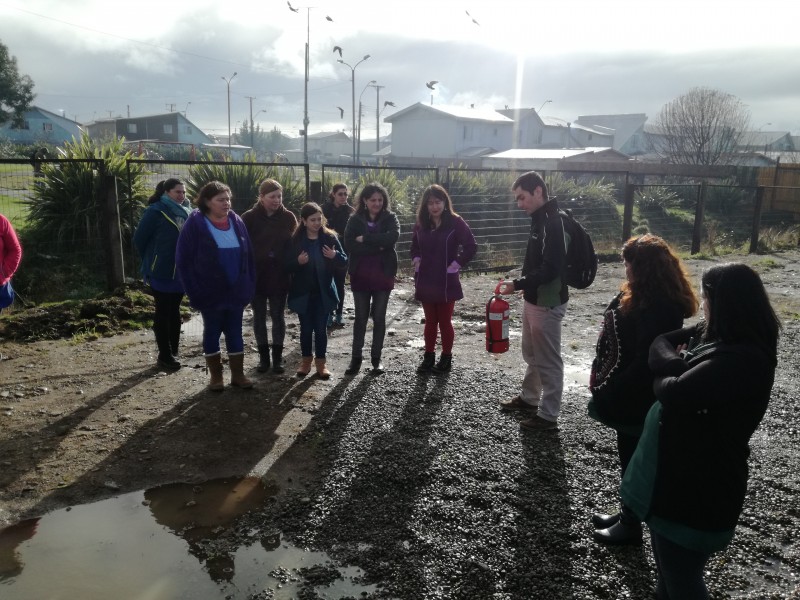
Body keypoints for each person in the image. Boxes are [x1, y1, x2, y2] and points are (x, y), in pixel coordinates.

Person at [620, 263, 780, 599]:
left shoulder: (742, 359)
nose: (703, 304)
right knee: (668, 573)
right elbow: (660, 343)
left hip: (698, 490)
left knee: (683, 579)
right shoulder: (720, 333)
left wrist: (666, 374)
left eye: (707, 297)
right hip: (677, 483)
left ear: (720, 301)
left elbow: (672, 392)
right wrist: (676, 366)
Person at [588, 234, 698, 546]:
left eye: (628, 263)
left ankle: (631, 525)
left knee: (635, 458)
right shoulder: (646, 295)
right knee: (630, 453)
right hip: (631, 390)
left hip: (638, 395)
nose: (625, 269)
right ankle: (628, 515)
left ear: (644, 267)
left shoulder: (659, 306)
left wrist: (614, 387)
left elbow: (646, 358)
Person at [497, 171, 568, 431]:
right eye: (517, 199)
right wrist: (522, 284)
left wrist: (518, 284)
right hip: (534, 298)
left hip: (548, 302)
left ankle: (549, 415)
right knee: (532, 353)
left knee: (548, 358)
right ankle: (529, 399)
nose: (519, 204)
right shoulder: (540, 219)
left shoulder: (553, 222)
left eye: (522, 198)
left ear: (538, 191)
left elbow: (551, 269)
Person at [175, 181, 256, 391]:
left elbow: (249, 258)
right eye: (221, 199)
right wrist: (194, 291)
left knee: (235, 332)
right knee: (212, 332)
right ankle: (216, 378)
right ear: (206, 201)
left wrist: (248, 285)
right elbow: (183, 260)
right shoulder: (195, 224)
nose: (226, 203)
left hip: (236, 292)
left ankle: (238, 375)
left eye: (228, 199)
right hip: (209, 293)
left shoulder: (237, 221)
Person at [410, 184, 477, 374]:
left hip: (446, 280)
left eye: (437, 202)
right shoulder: (421, 223)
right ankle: (428, 356)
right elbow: (414, 246)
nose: (434, 207)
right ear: (425, 205)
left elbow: (471, 246)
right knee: (430, 321)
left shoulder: (456, 222)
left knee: (445, 321)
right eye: (430, 203)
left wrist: (456, 264)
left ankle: (446, 357)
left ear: (445, 202)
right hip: (425, 278)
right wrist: (416, 259)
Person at [133, 178, 192, 371]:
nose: (181, 196)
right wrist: (153, 259)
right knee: (163, 310)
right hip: (161, 270)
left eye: (183, 192)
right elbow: (139, 239)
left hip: (181, 270)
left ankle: (173, 352)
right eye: (177, 192)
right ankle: (164, 355)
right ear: (166, 192)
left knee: (175, 311)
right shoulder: (155, 211)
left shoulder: (189, 212)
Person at [241, 179, 298, 374]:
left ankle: (277, 359)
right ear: (261, 197)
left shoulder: (288, 217)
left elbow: (294, 244)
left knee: (277, 315)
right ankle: (263, 359)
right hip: (257, 274)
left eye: (279, 196)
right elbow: (243, 246)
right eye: (272, 196)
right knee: (259, 316)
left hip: (280, 274)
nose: (276, 200)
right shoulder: (249, 217)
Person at [285, 202, 347, 379]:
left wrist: (335, 256)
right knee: (305, 329)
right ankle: (305, 363)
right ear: (303, 221)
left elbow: (344, 260)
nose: (317, 223)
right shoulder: (296, 240)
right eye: (312, 220)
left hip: (323, 293)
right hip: (303, 294)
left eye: (319, 219)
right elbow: (285, 266)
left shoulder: (330, 238)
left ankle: (321, 364)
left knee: (320, 330)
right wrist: (298, 262)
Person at [343, 182, 400, 375]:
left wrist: (365, 239)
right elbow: (349, 244)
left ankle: (376, 359)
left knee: (379, 317)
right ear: (365, 201)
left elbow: (392, 237)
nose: (377, 203)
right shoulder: (355, 219)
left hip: (383, 275)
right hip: (360, 275)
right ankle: (355, 360)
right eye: (373, 199)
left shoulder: (391, 217)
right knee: (360, 318)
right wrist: (379, 245)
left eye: (380, 199)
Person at [322, 183, 354, 328]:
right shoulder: (324, 209)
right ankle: (329, 313)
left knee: (340, 284)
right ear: (333, 194)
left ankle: (339, 314)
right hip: (326, 250)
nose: (343, 197)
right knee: (328, 282)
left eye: (345, 194)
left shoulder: (350, 212)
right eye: (340, 194)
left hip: (343, 252)